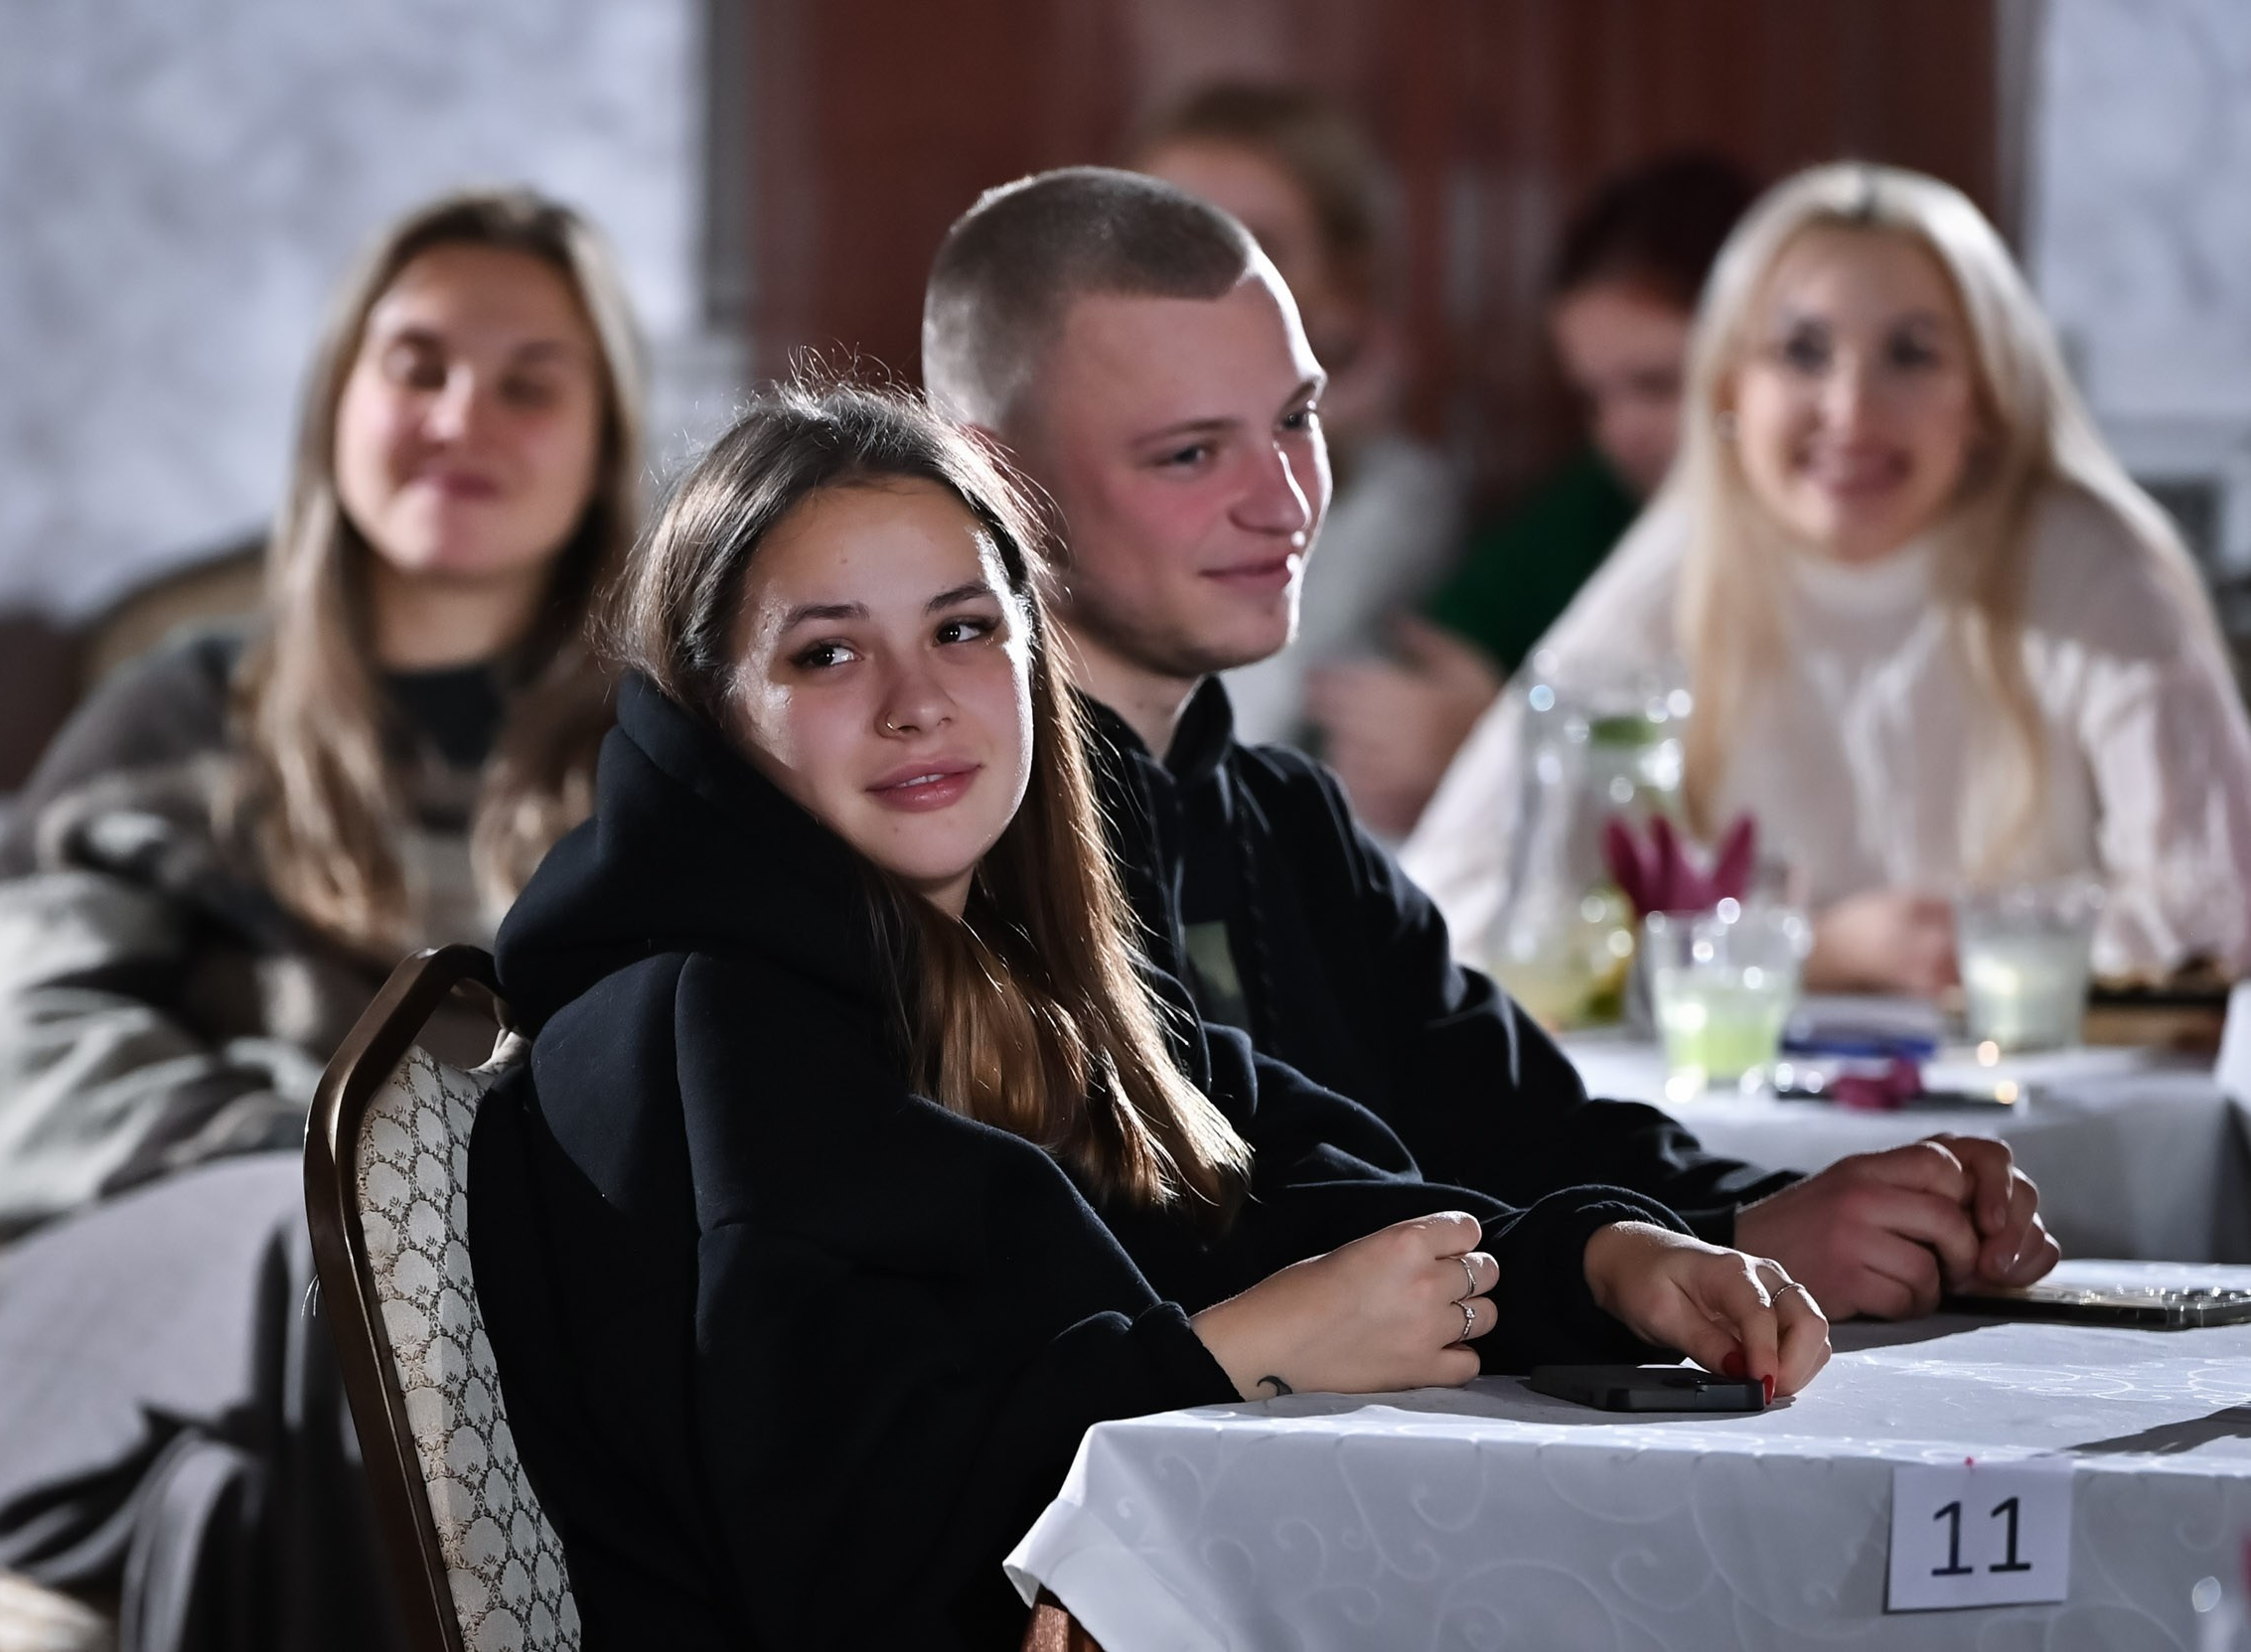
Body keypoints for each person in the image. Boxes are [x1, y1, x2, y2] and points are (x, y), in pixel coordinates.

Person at [469, 382, 1829, 1648]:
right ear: (711, 715)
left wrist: (1598, 1262)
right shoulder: (697, 1024)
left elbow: (1289, 1196)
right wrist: (1236, 1353)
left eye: (963, 628)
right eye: (826, 655)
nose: (917, 702)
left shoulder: (998, 972)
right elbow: (837, 1547)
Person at [922, 165, 2059, 1324]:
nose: (1285, 500)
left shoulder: (1282, 817)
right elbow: (1239, 1228)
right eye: (1189, 454)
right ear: (999, 478)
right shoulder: (966, 850)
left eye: (1296, 420)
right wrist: (1702, 1243)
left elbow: (1521, 1124)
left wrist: (1775, 1214)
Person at [0, 188, 646, 1652]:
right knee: (335, 1251)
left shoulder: (659, 756)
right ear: (337, 406)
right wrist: (335, 1164)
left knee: (222, 1508)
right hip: (127, 1291)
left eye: (529, 381)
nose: (462, 415)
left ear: (607, 444)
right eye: (418, 365)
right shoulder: (179, 708)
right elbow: (16, 1059)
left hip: (485, 1333)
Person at [1406, 161, 2251, 993]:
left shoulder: (2090, 560)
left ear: (1988, 396)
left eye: (1912, 355)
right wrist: (1814, 949)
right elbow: (1446, 902)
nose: (1851, 411)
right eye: (1801, 352)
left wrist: (1951, 943)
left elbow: (2219, 911)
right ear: (1732, 387)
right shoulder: (1683, 560)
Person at [1305, 153, 1758, 835]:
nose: (1621, 432)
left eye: (1658, 384)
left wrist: (1492, 746)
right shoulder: (1600, 501)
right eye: (1594, 398)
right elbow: (1436, 668)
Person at [1125, 82, 1465, 756]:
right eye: (1168, 238)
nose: (1202, 279)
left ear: (1342, 284)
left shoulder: (1398, 494)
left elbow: (1240, 729)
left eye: (1256, 245)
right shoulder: (1057, 465)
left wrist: (1309, 446)